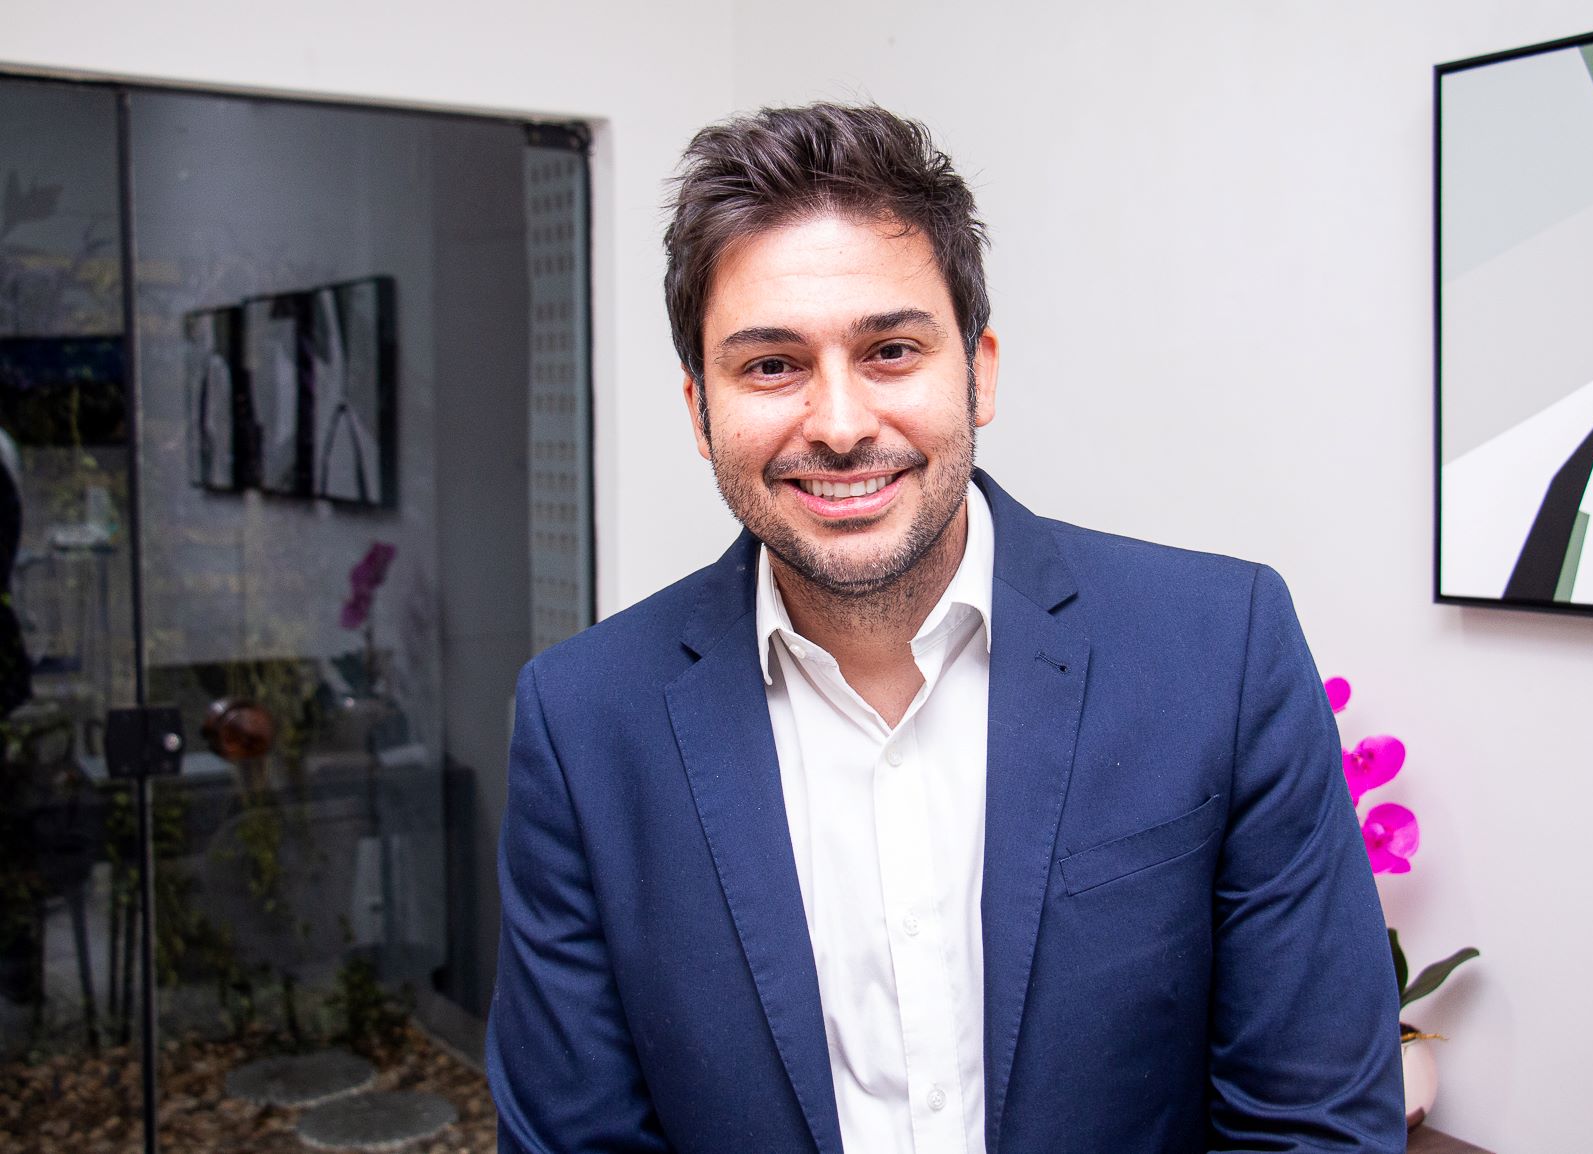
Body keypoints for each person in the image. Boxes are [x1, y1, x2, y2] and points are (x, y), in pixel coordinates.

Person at [487, 103, 1404, 1154]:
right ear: (700, 409)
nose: (839, 426)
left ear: (979, 371)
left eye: (890, 350)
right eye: (771, 365)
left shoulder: (1219, 650)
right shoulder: (583, 721)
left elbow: (1314, 1122)